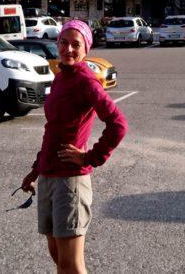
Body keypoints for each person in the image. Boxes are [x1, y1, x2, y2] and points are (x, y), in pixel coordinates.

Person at [20, 20, 127, 274]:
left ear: (86, 49)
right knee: (57, 256)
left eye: (76, 44)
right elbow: (53, 129)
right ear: (57, 44)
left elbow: (118, 124)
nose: (69, 49)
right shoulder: (59, 78)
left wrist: (90, 157)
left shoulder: (86, 82)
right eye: (64, 43)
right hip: (48, 176)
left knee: (71, 264)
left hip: (70, 181)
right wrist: (36, 170)